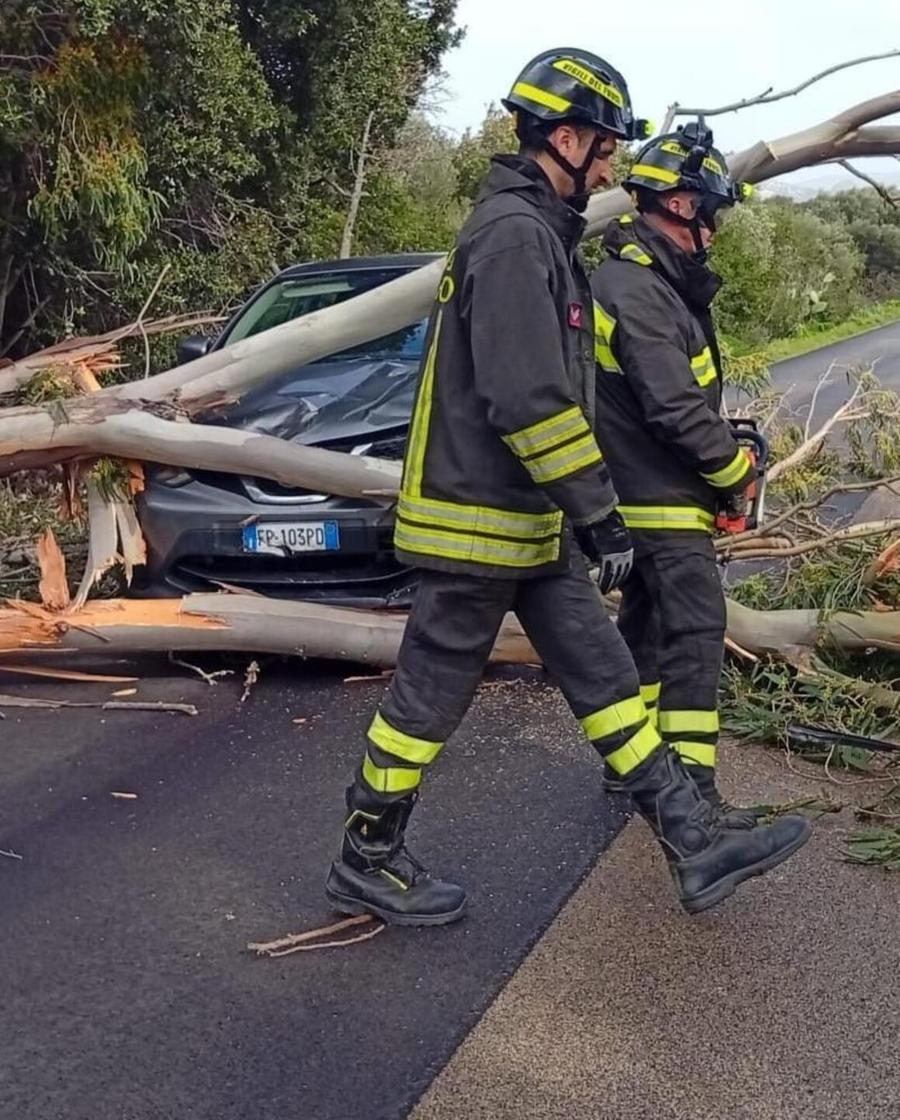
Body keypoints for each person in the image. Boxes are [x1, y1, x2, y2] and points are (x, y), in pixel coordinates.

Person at [325, 56, 809, 926]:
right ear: (567, 136)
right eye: (606, 147)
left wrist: (580, 512)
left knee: (608, 671)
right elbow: (528, 397)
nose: (613, 167)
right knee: (429, 694)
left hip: (522, 520)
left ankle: (691, 842)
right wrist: (598, 510)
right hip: (480, 520)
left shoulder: (540, 233)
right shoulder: (515, 236)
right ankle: (368, 852)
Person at [590, 121, 769, 824]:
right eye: (713, 215)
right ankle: (692, 793)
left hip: (637, 496)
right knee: (695, 635)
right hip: (658, 502)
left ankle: (632, 769)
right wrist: (735, 476)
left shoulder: (646, 285)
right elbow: (670, 407)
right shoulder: (637, 290)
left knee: (645, 631)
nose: (716, 235)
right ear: (685, 207)